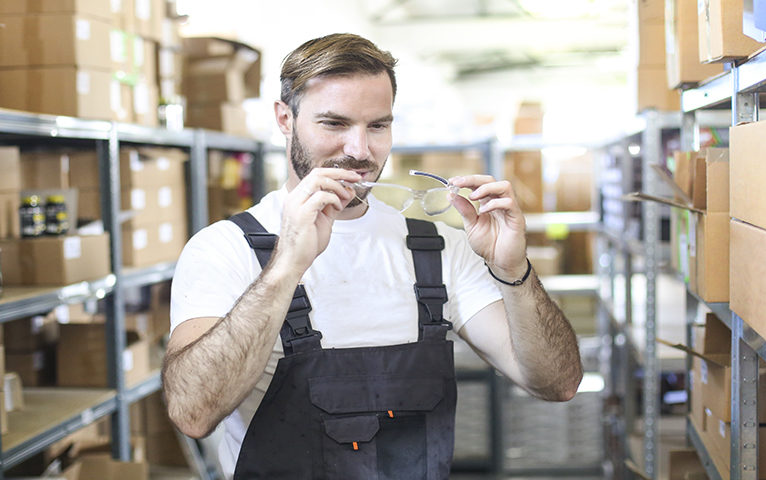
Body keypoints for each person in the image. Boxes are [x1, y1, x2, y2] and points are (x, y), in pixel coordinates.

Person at [162, 33, 582, 479]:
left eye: (378, 126)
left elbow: (557, 383)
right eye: (334, 123)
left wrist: (513, 269)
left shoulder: (438, 249)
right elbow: (193, 414)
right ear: (285, 119)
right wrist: (285, 267)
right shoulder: (225, 249)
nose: (360, 151)